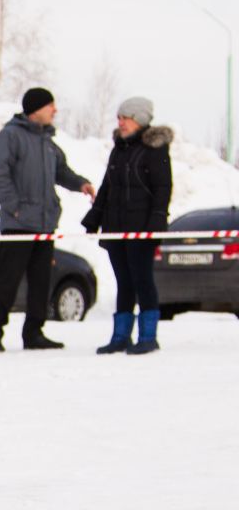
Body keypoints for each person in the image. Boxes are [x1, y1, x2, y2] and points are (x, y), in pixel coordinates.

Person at [0, 87, 94, 352]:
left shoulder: (48, 142)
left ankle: (34, 333)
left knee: (41, 282)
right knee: (7, 282)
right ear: (36, 108)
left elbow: (62, 172)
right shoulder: (10, 136)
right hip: (18, 226)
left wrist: (81, 184)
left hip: (45, 225)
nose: (54, 111)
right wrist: (15, 208)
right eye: (50, 106)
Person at [82, 96, 172, 355]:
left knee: (142, 280)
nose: (120, 122)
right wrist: (94, 219)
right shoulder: (118, 150)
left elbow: (163, 188)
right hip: (116, 227)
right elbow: (108, 187)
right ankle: (120, 336)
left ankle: (148, 336)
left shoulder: (155, 149)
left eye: (126, 117)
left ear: (140, 119)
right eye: (119, 117)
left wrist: (155, 223)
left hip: (141, 229)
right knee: (123, 282)